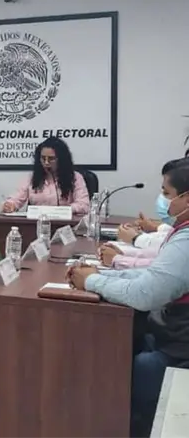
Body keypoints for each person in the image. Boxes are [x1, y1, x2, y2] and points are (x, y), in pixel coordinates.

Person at [68, 164, 189, 438]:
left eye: (167, 193)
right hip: (174, 334)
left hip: (180, 350)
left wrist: (91, 281)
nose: (163, 200)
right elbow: (155, 274)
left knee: (127, 360)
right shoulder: (182, 231)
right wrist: (101, 275)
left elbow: (145, 295)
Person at [98, 158, 189, 268]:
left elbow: (163, 270)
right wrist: (124, 254)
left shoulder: (185, 235)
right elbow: (162, 253)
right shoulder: (180, 228)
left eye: (166, 193)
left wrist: (118, 258)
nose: (162, 198)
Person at [2, 137, 90, 214]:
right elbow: (17, 198)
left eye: (51, 159)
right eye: (43, 158)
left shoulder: (75, 178)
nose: (46, 162)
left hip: (66, 224)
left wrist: (63, 210)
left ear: (61, 159)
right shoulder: (31, 177)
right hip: (37, 223)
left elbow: (84, 205)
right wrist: (10, 205)